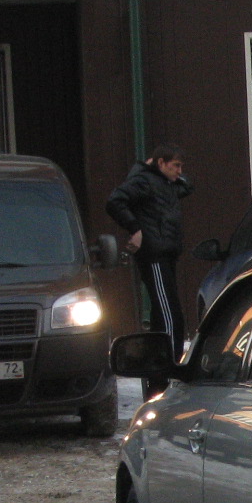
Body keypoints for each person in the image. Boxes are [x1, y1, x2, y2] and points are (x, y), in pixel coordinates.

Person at [106, 144, 193, 368]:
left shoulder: (165, 182)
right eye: (175, 166)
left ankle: (159, 362)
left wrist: (177, 178)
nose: (179, 171)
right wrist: (135, 229)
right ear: (160, 162)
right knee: (169, 313)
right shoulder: (143, 181)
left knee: (163, 310)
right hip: (154, 254)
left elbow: (186, 186)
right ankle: (170, 364)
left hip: (166, 251)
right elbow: (115, 201)